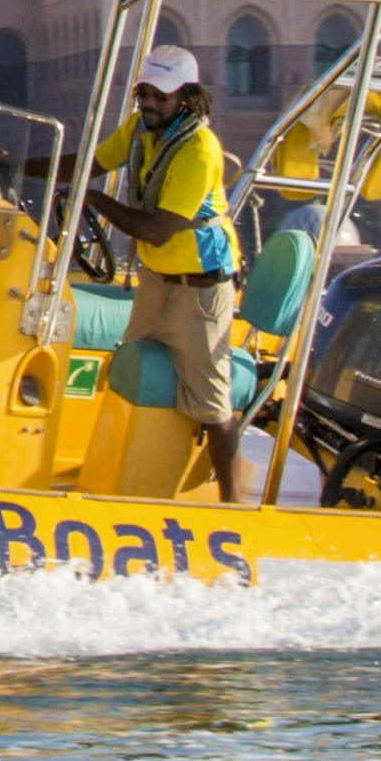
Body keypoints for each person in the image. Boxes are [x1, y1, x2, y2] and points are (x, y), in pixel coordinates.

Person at [84, 43, 249, 501]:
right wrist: (13, 168)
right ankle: (128, 484)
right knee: (128, 368)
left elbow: (157, 230)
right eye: (145, 93)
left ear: (186, 98)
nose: (150, 103)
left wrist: (95, 200)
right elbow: (87, 166)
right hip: (157, 281)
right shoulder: (140, 128)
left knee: (213, 404)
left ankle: (233, 508)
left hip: (201, 290)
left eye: (162, 95)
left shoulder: (199, 151)